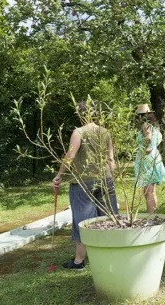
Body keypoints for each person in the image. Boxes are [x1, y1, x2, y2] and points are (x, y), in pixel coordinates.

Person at [52, 101, 118, 270]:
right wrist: (112, 177)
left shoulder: (79, 132)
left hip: (83, 182)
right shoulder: (105, 132)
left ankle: (79, 261)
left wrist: (59, 175)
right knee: (109, 218)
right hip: (106, 179)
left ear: (81, 115)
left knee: (83, 221)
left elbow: (70, 155)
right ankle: (110, 256)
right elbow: (110, 158)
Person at [134, 104, 165, 213]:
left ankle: (151, 217)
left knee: (149, 192)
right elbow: (158, 139)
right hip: (154, 157)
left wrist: (146, 148)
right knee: (150, 191)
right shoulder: (154, 127)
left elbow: (148, 138)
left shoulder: (145, 126)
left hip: (147, 160)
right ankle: (153, 215)